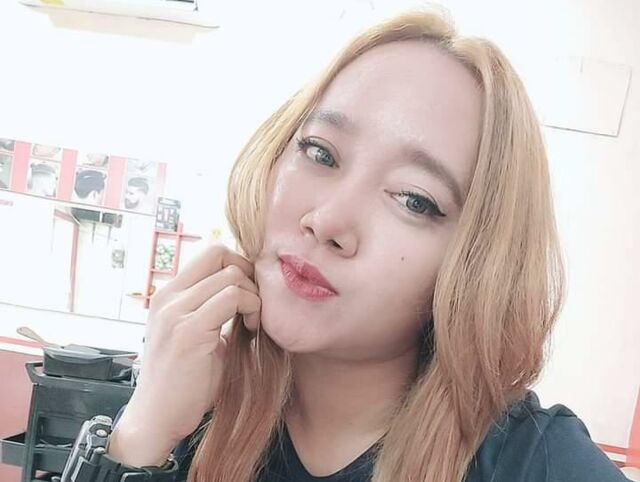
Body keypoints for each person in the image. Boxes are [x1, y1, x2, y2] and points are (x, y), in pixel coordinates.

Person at [104, 8, 630, 482]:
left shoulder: (531, 462)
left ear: (473, 260)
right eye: (320, 153)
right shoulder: (189, 406)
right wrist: (141, 437)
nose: (327, 220)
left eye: (414, 200)